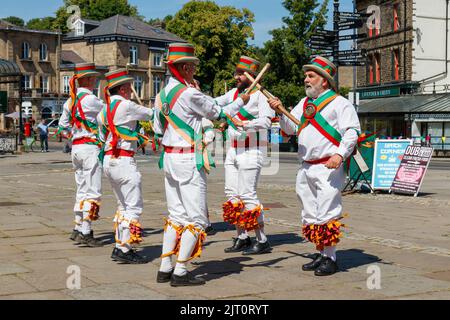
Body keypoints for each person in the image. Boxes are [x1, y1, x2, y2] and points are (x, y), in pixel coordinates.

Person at [153, 43, 244, 286]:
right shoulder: (190, 94)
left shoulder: (160, 96)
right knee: (197, 219)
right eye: (192, 66)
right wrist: (241, 100)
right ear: (183, 68)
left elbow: (156, 129)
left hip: (169, 158)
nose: (195, 70)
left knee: (176, 215)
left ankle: (165, 267)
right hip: (187, 158)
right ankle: (181, 271)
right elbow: (217, 112)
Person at [268, 56, 361, 276]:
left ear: (325, 81)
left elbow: (352, 132)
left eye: (311, 76)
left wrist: (339, 154)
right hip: (306, 166)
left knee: (327, 212)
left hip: (328, 166)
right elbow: (290, 128)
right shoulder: (304, 103)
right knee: (310, 213)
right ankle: (320, 253)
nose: (305, 80)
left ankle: (331, 258)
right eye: (306, 76)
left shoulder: (340, 103)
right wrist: (280, 112)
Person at [215, 56, 275, 255]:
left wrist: (246, 124)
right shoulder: (234, 93)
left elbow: (267, 121)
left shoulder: (263, 95)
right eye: (236, 73)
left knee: (248, 195)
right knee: (232, 195)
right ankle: (242, 236)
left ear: (251, 75)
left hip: (252, 149)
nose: (236, 77)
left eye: (240, 73)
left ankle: (262, 239)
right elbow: (215, 104)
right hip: (232, 149)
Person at [98, 68, 153, 264]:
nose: (131, 90)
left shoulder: (103, 110)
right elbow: (151, 114)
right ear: (121, 89)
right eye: (129, 87)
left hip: (108, 160)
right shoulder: (127, 105)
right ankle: (125, 248)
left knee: (122, 205)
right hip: (124, 161)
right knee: (133, 207)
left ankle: (119, 245)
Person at [59, 63, 105, 247]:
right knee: (93, 190)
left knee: (81, 189)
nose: (95, 81)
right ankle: (86, 231)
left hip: (76, 149)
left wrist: (74, 135)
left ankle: (77, 227)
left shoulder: (70, 101)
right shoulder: (91, 99)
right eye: (93, 78)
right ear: (86, 80)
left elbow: (62, 127)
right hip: (89, 148)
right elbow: (110, 113)